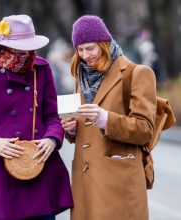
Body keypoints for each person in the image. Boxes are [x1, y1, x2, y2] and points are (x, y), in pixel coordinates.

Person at [0, 15, 73, 220]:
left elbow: (52, 115)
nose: (28, 55)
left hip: (40, 167)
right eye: (21, 49)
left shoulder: (42, 68)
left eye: (30, 49)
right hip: (5, 173)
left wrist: (52, 138)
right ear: (4, 47)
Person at [61, 15, 157, 220]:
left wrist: (106, 119)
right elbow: (85, 130)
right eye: (80, 49)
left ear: (104, 44)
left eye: (90, 48)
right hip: (84, 183)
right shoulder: (81, 77)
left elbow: (145, 129)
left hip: (118, 183)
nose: (85, 55)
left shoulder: (137, 73)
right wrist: (71, 129)